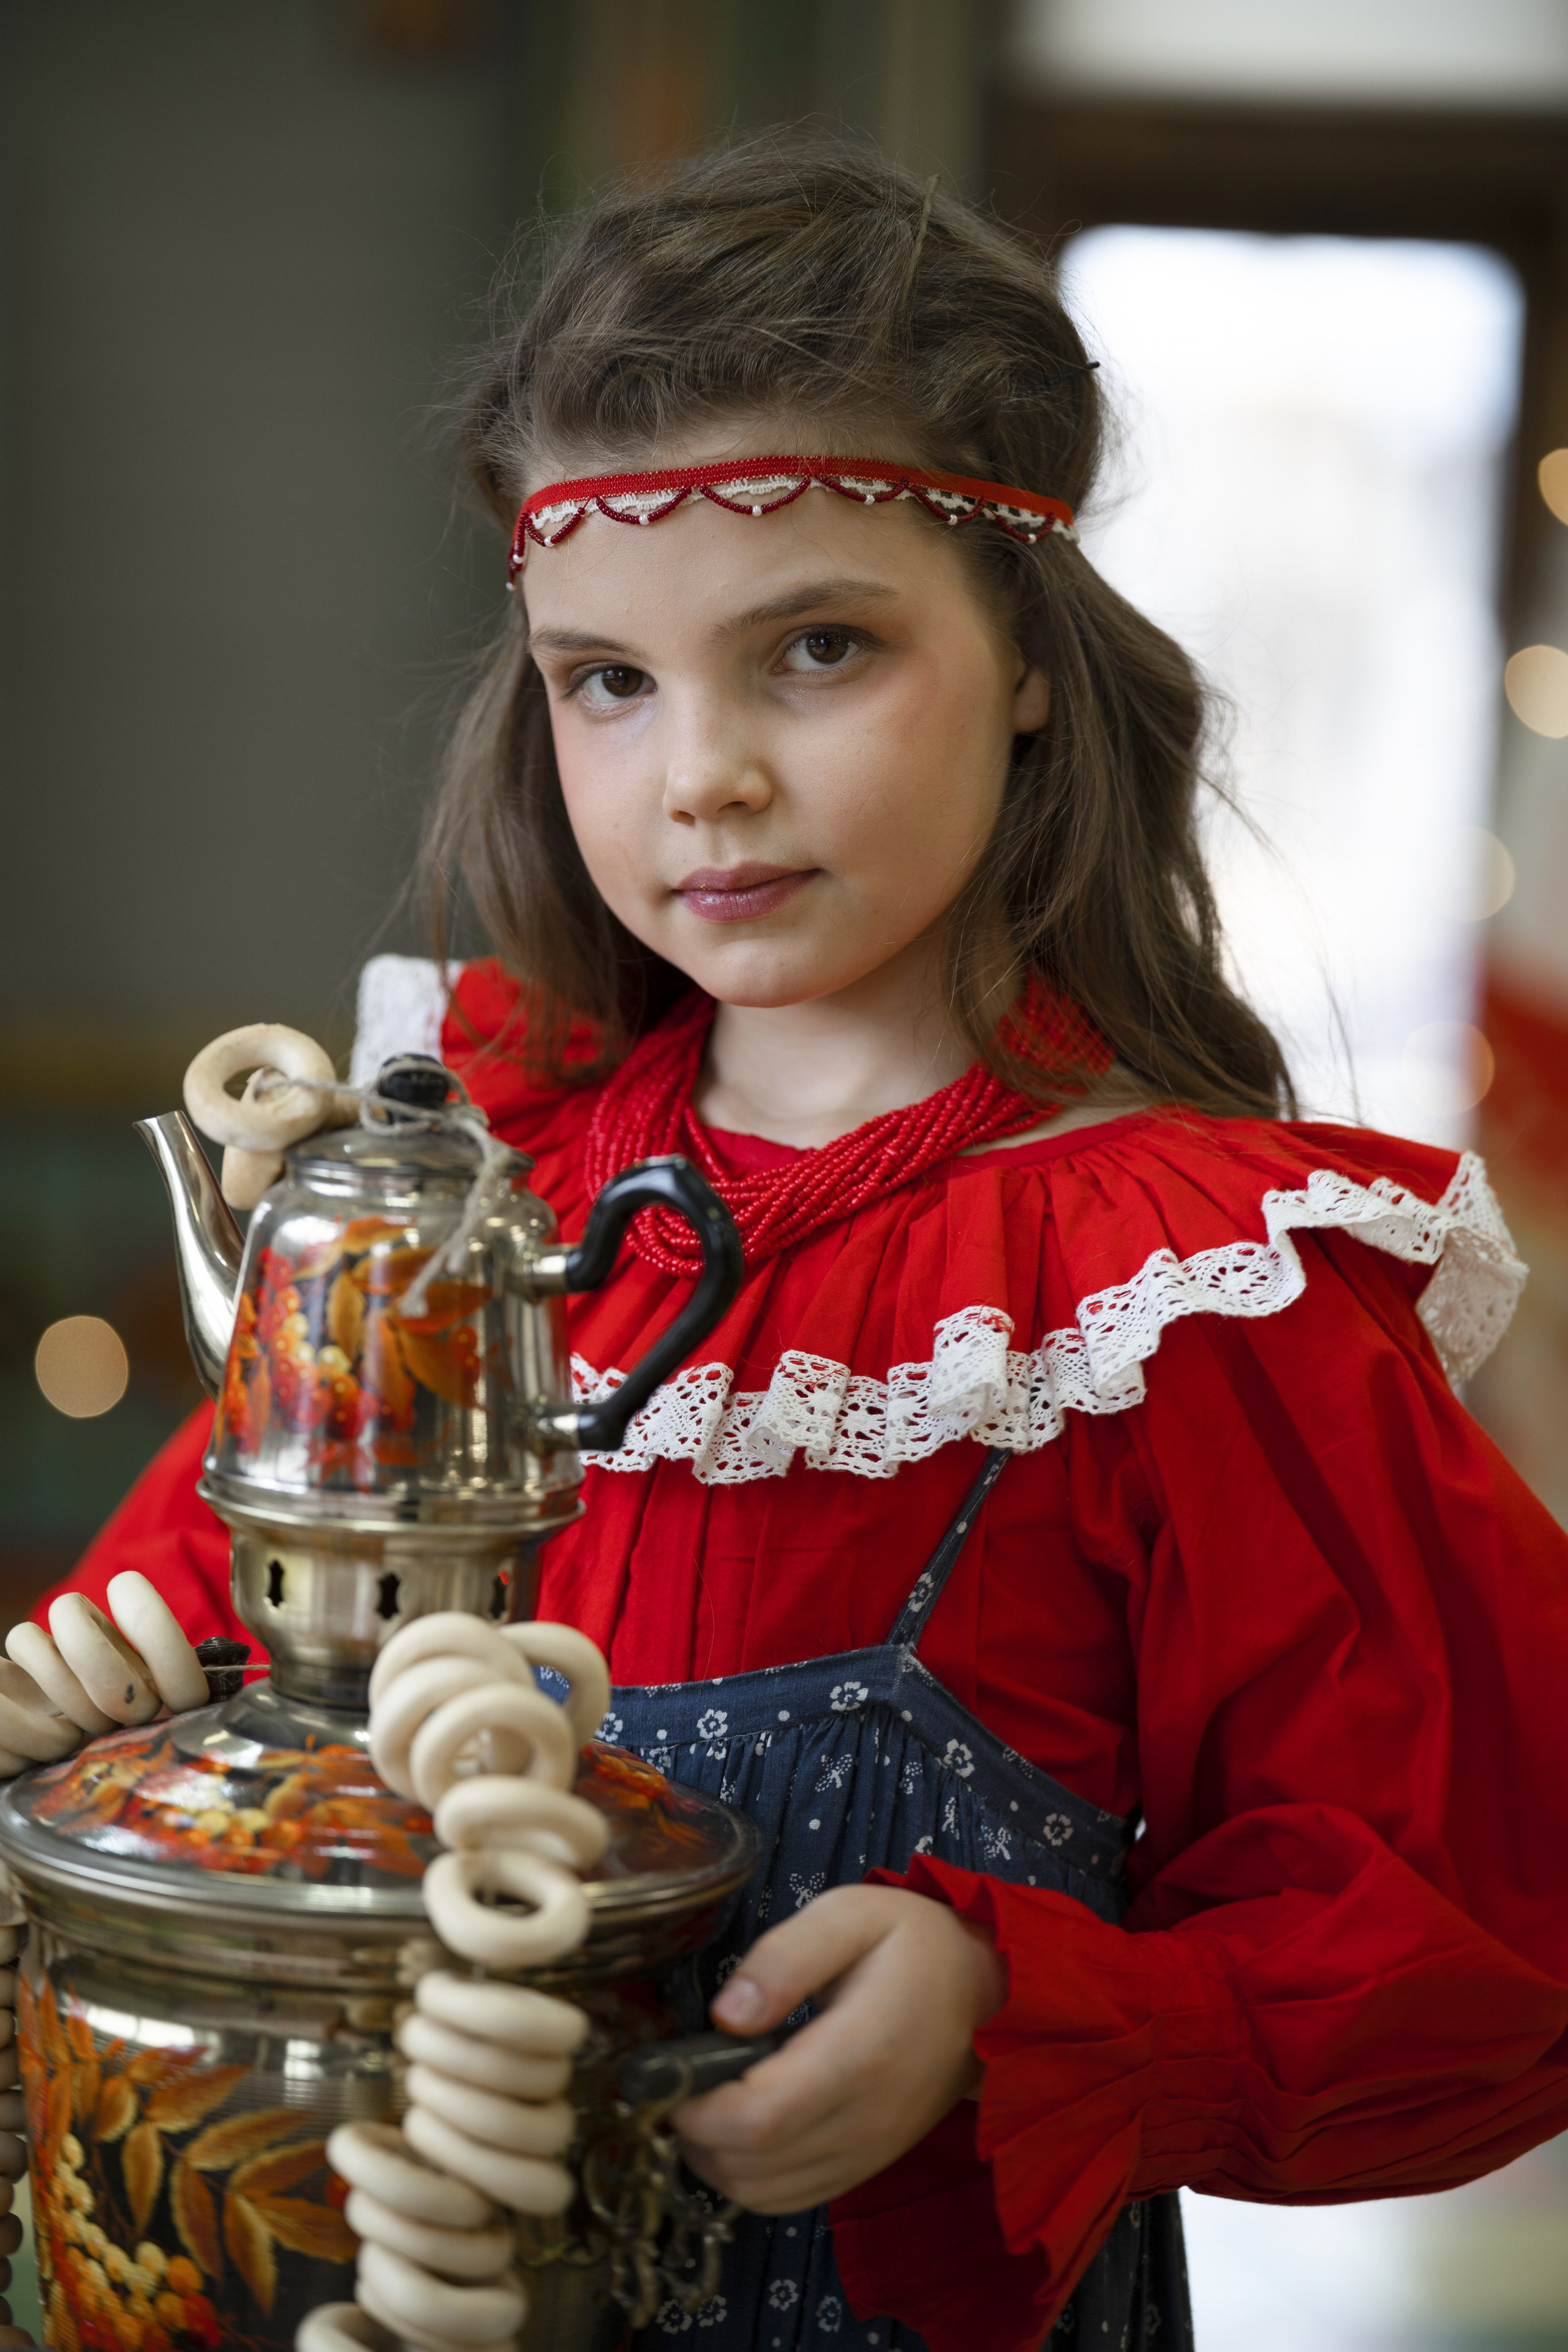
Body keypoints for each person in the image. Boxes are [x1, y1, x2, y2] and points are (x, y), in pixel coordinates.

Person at [43, 139, 1568, 2352]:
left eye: (819, 649)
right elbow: (164, 1654)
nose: (705, 779)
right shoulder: (469, 1192)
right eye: (607, 683)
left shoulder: (1197, 1292)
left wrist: (1032, 2009)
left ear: (1029, 658)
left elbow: (1477, 1941)